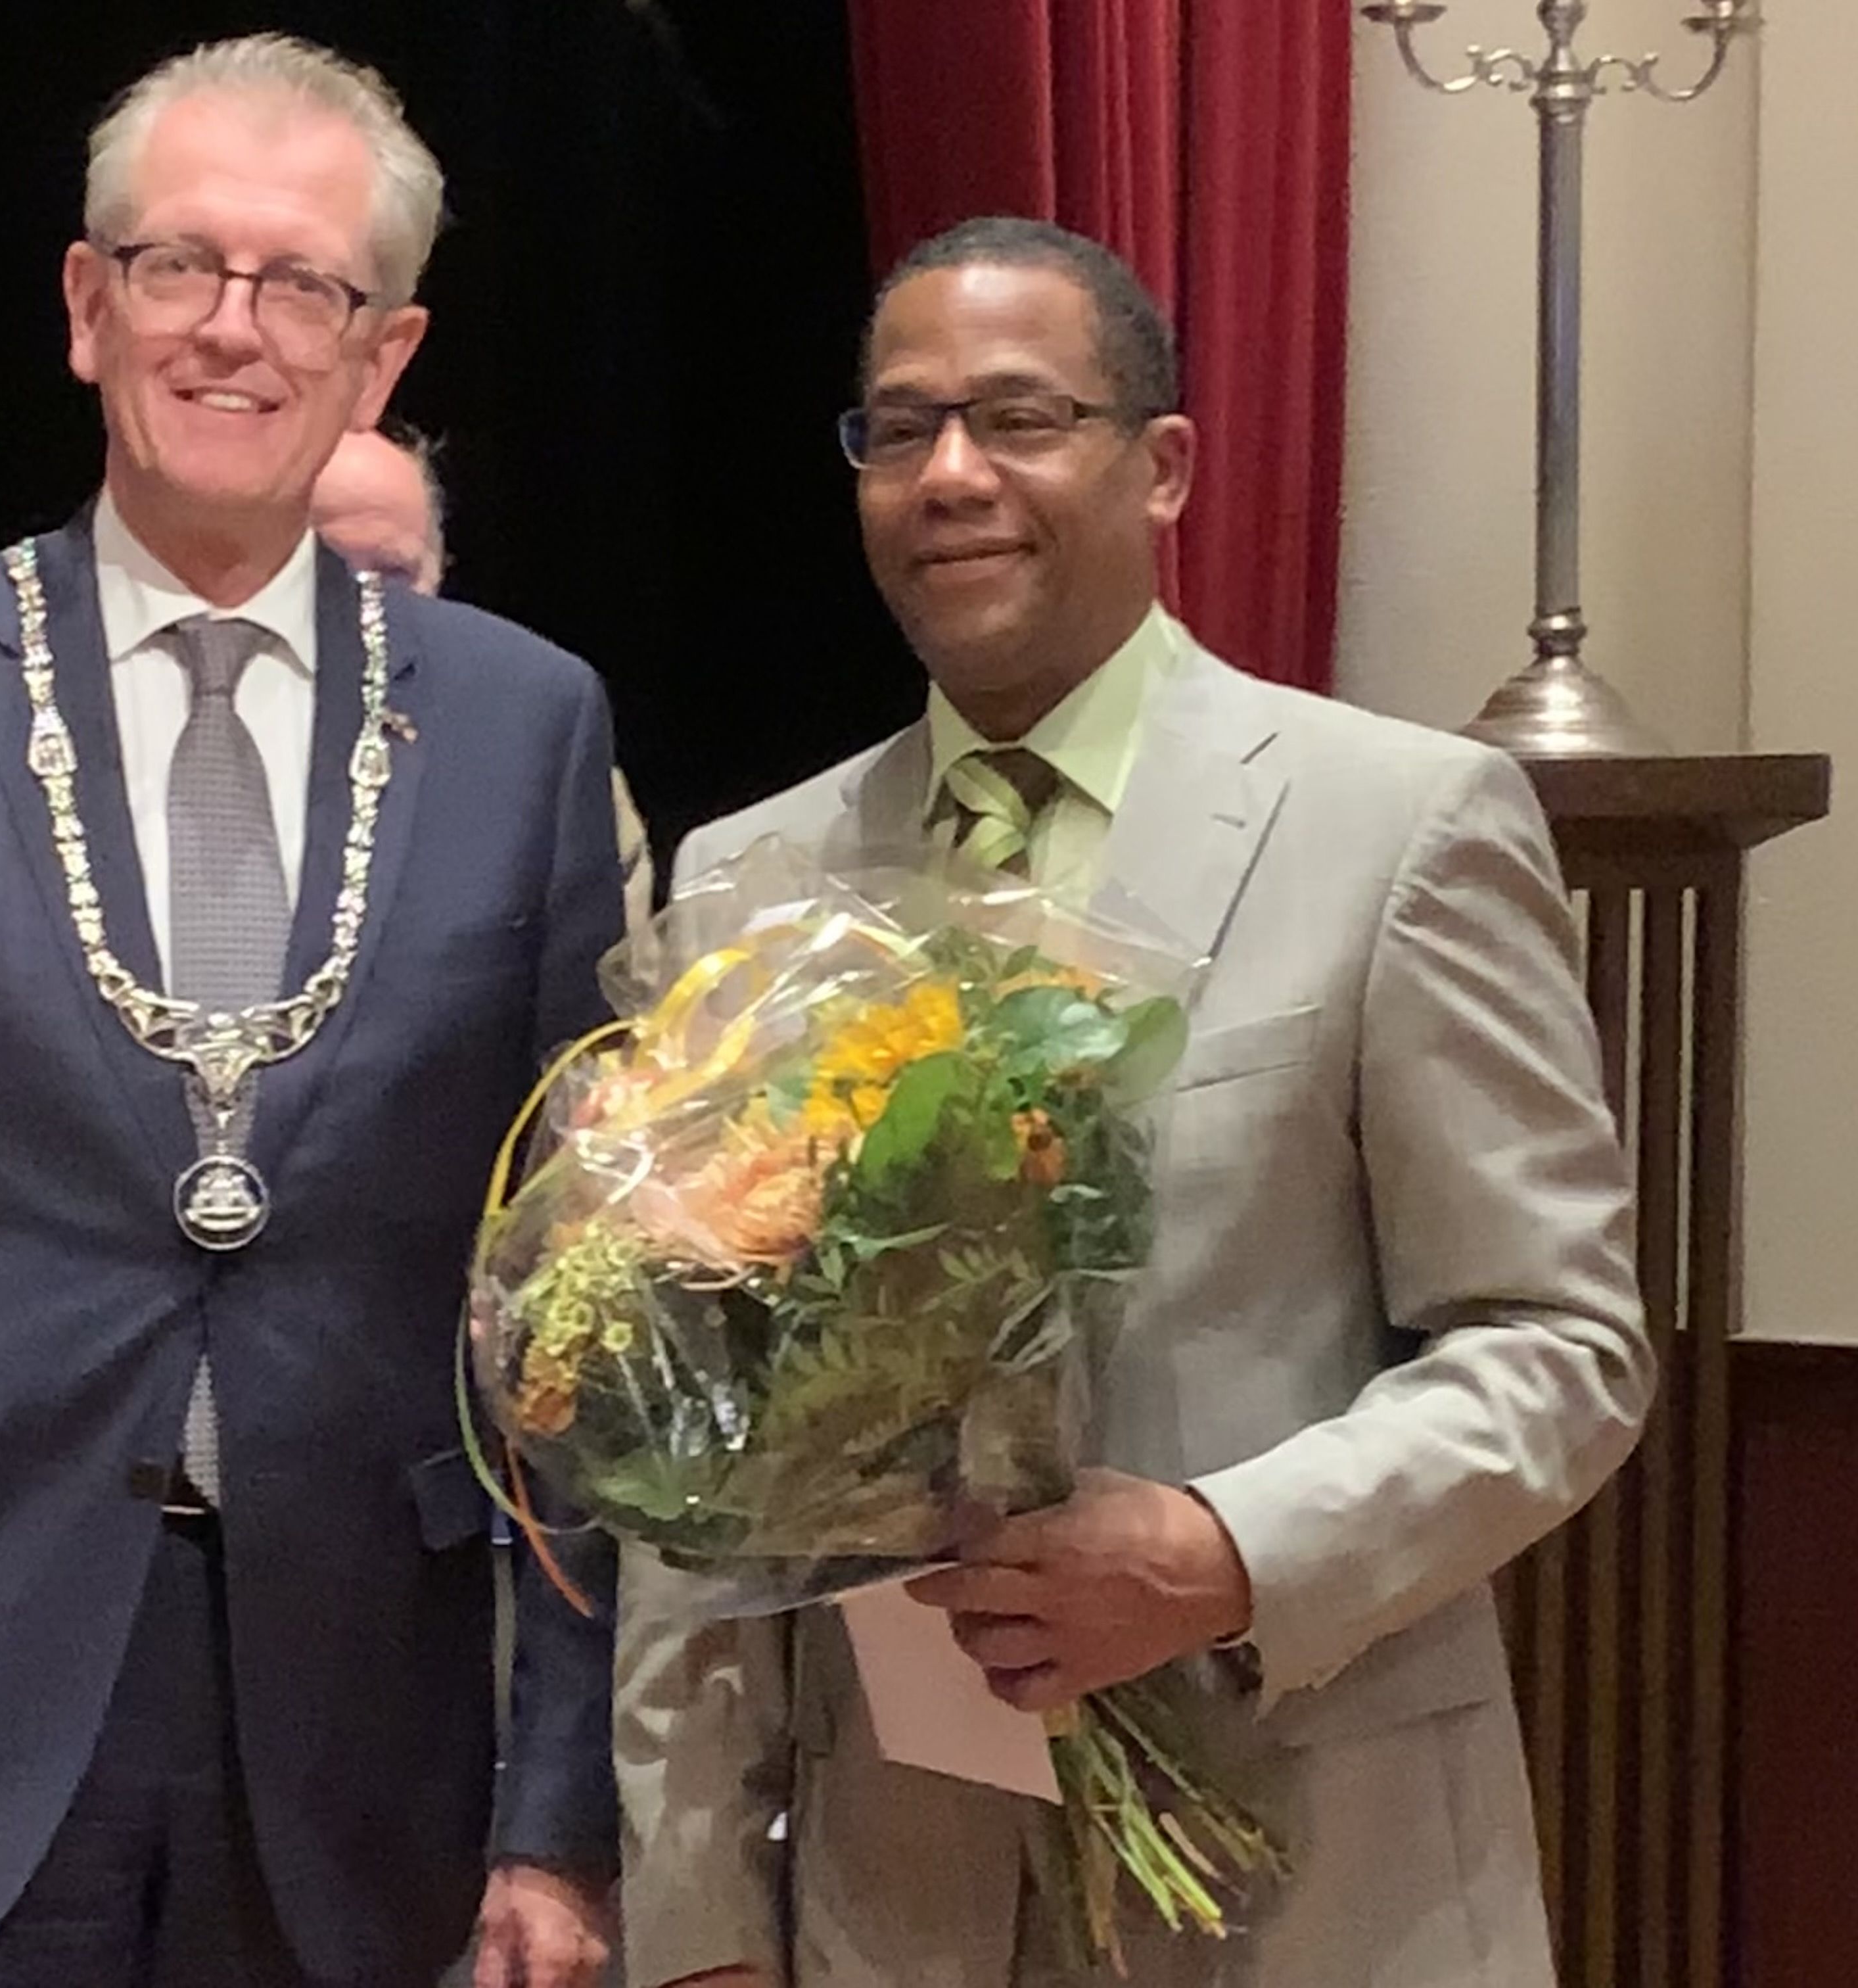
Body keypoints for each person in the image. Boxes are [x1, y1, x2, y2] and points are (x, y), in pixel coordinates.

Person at [0, 34, 620, 1988]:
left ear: (383, 357)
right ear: (90, 307)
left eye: (303, 285)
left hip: (369, 1759)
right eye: (182, 266)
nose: (233, 328)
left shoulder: (525, 728)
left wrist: (560, 1811)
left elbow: (574, 1323)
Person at [614, 216, 1652, 1987]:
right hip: (893, 1903)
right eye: (900, 429)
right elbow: (692, 1459)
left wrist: (1228, 1551)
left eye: (1021, 418)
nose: (953, 474)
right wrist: (701, 1920)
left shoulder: (1400, 827)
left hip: (1320, 1886)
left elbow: (1563, 1346)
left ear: (1161, 466)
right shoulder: (745, 885)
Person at [314, 426, 655, 934]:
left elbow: (616, 974)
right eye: (330, 566)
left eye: (394, 574)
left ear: (440, 572)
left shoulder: (543, 766)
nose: (366, 601)